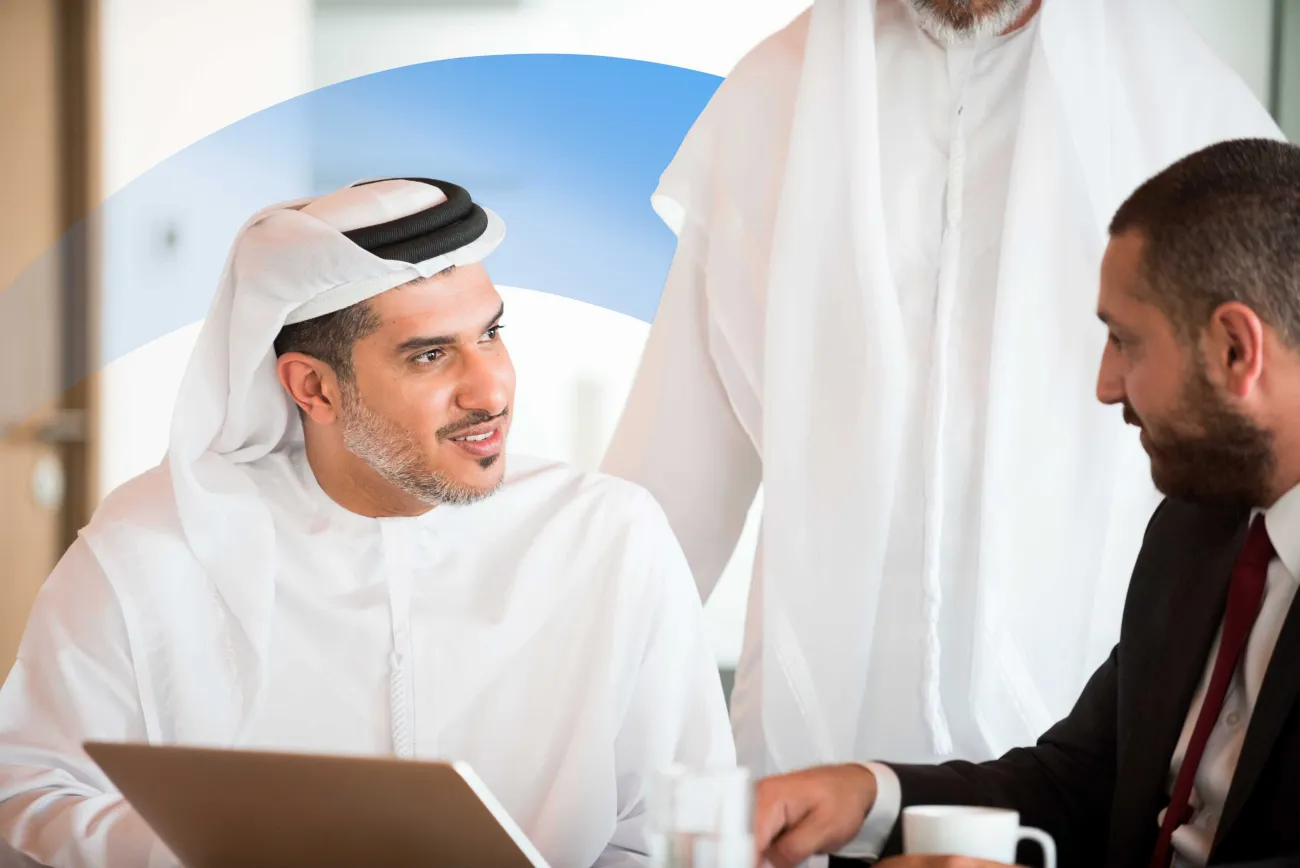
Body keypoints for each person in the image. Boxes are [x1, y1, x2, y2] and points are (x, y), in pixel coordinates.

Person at [599, 0, 1287, 808]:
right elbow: (674, 476)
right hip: (826, 740)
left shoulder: (1181, 101)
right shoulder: (774, 96)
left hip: (1087, 725)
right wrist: (575, 705)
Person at [0, 178, 735, 868]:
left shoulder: (607, 533)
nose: (490, 389)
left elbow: (688, 828)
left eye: (490, 334)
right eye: (431, 355)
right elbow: (28, 787)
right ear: (313, 387)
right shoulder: (154, 543)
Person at [749, 138, 1300, 868]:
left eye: (1125, 342)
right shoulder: (1196, 531)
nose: (1106, 385)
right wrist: (865, 795)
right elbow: (1079, 782)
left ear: (1236, 349)